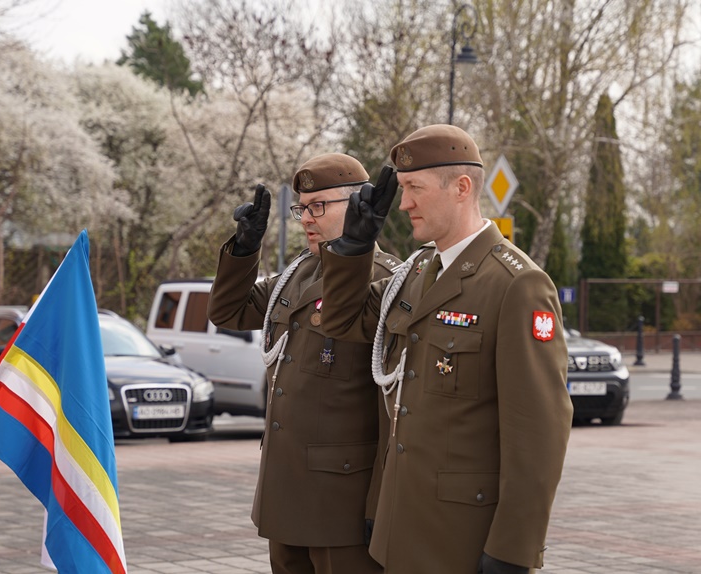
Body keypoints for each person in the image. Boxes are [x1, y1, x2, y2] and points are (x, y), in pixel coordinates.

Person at [319, 125, 573, 574]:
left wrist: (514, 550)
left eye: (414, 188)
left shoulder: (516, 284)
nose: (404, 204)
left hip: (462, 538)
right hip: (400, 529)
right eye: (402, 189)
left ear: (461, 188)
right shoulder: (414, 274)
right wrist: (354, 249)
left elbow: (538, 434)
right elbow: (341, 322)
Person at [207, 153, 401, 574]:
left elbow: (394, 411)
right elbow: (229, 312)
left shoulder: (385, 279)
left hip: (341, 503)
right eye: (301, 208)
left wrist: (379, 505)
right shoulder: (298, 273)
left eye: (319, 207)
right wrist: (245, 248)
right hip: (285, 491)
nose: (307, 219)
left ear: (358, 206)